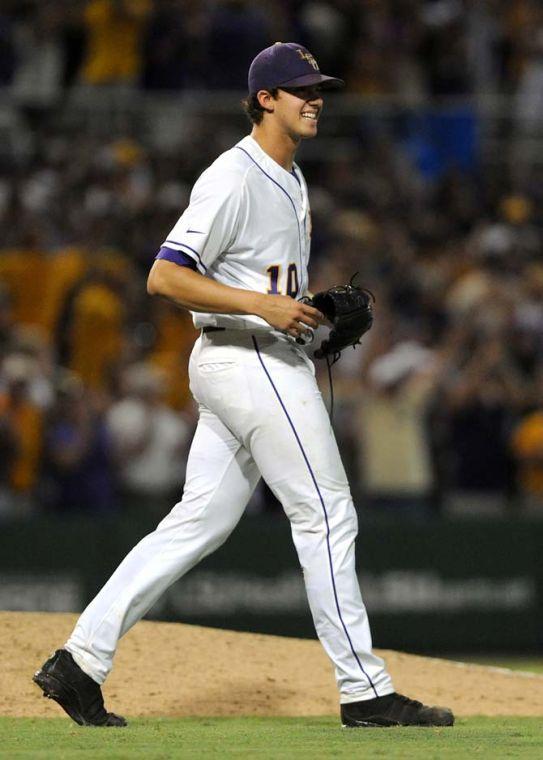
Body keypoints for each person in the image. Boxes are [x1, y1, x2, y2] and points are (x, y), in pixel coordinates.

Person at [33, 42, 454, 730]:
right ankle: (363, 691)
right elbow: (164, 276)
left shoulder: (290, 177)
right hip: (246, 358)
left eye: (318, 89)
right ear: (264, 98)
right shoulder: (233, 175)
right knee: (326, 512)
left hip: (254, 356)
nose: (314, 99)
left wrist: (305, 318)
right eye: (300, 90)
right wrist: (262, 308)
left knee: (199, 521)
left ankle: (79, 662)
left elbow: (268, 289)